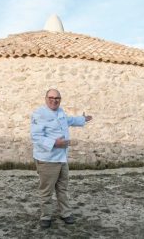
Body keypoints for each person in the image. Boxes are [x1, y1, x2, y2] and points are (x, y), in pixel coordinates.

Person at [30, 89, 93, 228]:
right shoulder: (39, 114)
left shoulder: (60, 112)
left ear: (60, 99)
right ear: (46, 98)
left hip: (61, 159)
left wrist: (82, 119)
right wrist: (54, 143)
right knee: (46, 190)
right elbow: (36, 137)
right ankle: (45, 216)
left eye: (57, 98)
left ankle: (65, 213)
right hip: (47, 159)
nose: (54, 100)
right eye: (51, 97)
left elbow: (68, 120)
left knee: (62, 188)